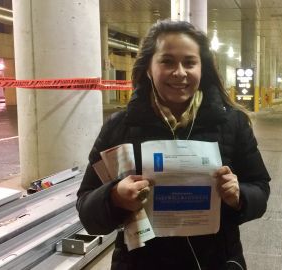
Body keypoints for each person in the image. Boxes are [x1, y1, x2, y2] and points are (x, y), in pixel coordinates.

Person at [76, 20, 271, 270]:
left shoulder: (232, 123)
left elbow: (260, 188)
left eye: (189, 62)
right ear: (148, 68)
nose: (179, 72)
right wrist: (114, 197)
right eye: (167, 61)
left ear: (203, 68)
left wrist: (239, 196)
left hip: (215, 261)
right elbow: (87, 210)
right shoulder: (120, 127)